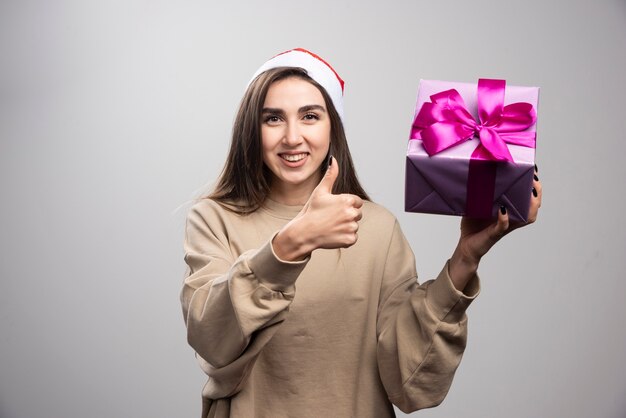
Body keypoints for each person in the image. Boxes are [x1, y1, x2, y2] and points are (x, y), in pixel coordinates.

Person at [180, 48, 542, 418]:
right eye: (273, 118)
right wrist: (292, 243)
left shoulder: (376, 228)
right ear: (250, 130)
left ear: (332, 126)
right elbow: (211, 338)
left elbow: (411, 384)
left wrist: (466, 257)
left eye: (310, 116)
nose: (292, 137)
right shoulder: (213, 218)